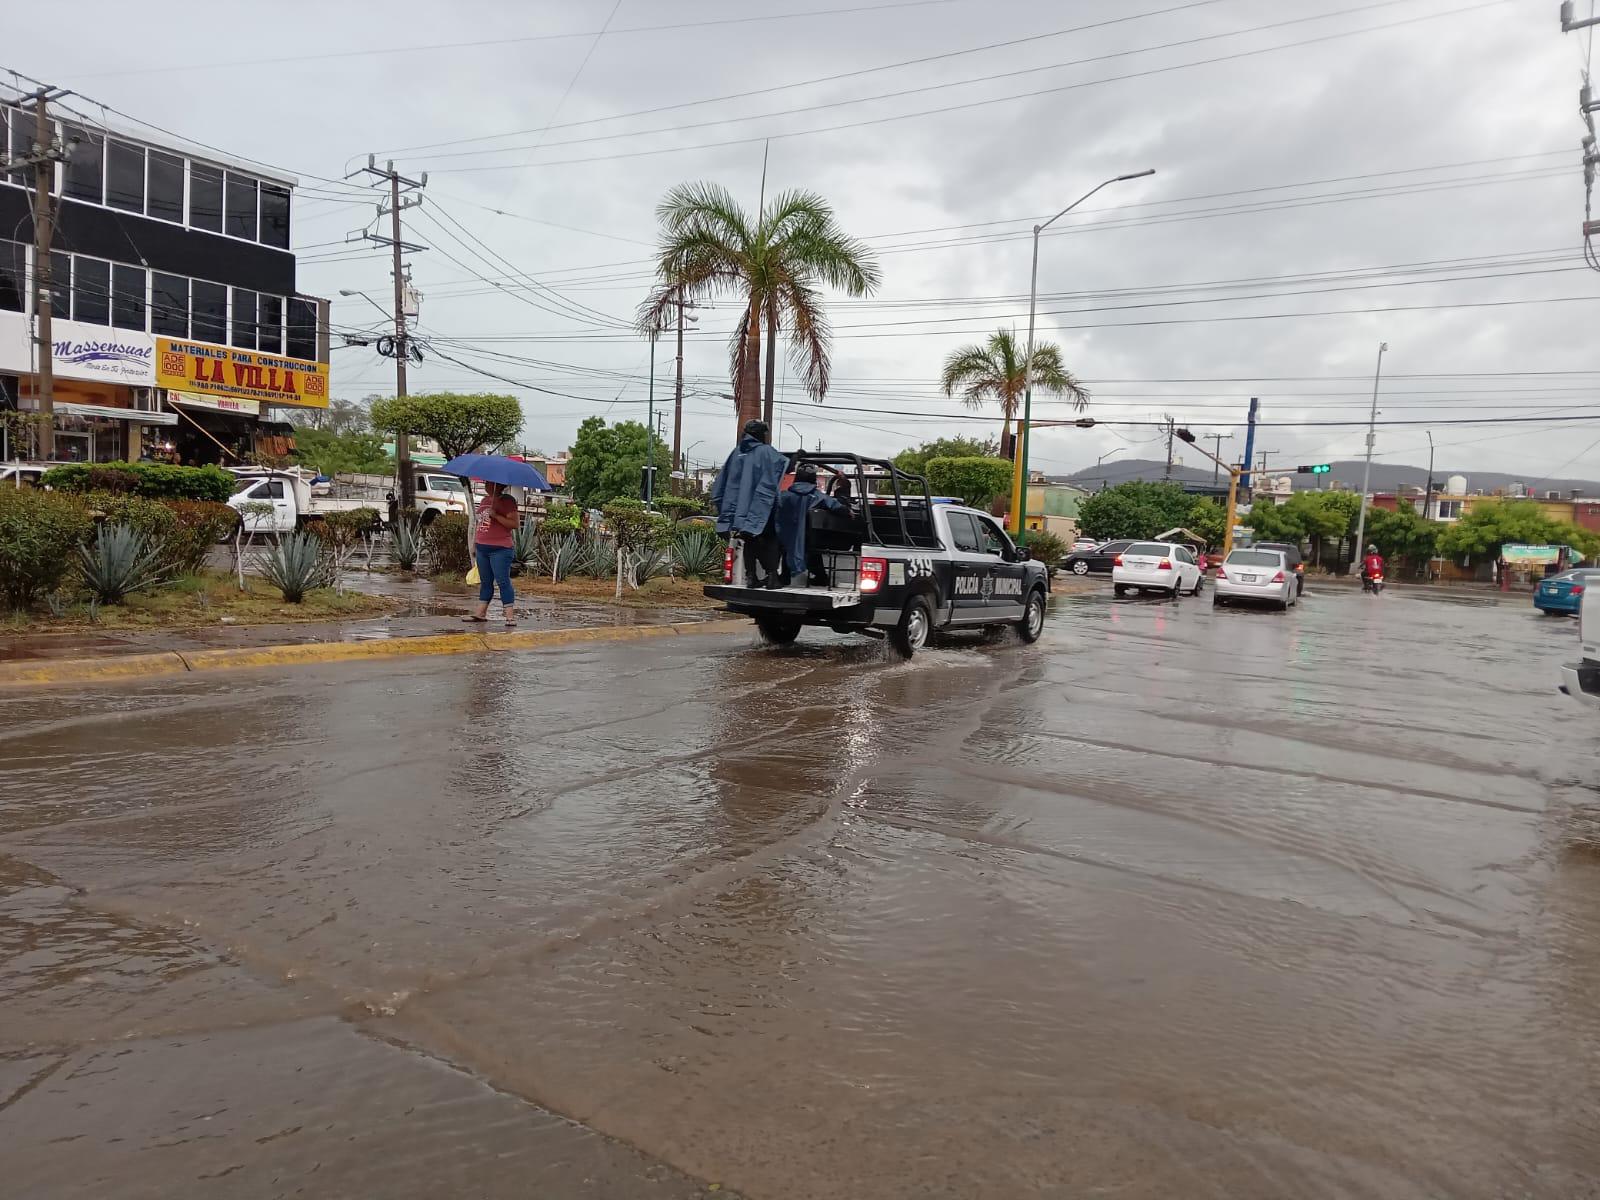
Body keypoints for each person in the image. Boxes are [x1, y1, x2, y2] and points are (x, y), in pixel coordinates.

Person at [711, 419, 789, 586]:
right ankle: (772, 577)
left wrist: (725, 515)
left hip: (740, 515)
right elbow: (782, 466)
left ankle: (751, 576)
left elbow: (720, 486)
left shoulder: (736, 452)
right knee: (771, 541)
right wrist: (798, 457)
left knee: (750, 541)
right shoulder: (766, 452)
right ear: (761, 435)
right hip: (762, 511)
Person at [774, 464, 845, 586]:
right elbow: (838, 507)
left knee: (785, 545)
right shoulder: (819, 496)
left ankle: (782, 576)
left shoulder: (784, 496)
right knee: (814, 546)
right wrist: (849, 512)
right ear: (813, 479)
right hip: (810, 540)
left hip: (785, 538)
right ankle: (821, 576)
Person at [464, 481, 520, 626]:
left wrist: (496, 516)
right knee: (485, 582)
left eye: (489, 483)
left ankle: (509, 616)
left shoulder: (507, 501)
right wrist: (475, 543)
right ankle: (480, 613)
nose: (486, 485)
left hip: (500, 548)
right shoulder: (484, 500)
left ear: (499, 485)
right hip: (483, 547)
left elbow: (514, 524)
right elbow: (480, 524)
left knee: (503, 581)